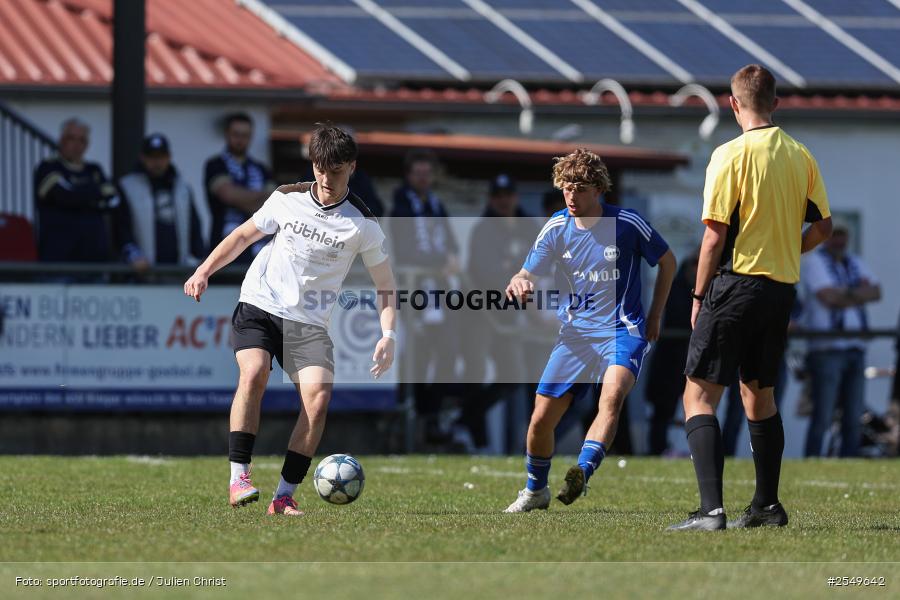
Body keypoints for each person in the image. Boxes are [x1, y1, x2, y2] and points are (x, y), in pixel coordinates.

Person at [184, 124, 397, 516]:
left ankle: (283, 497)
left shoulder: (362, 223)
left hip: (308, 324)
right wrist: (204, 270)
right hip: (260, 304)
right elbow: (243, 236)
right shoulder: (285, 198)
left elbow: (386, 283)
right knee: (255, 373)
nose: (325, 178)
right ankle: (239, 479)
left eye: (335, 170)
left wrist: (387, 335)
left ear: (351, 166)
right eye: (319, 168)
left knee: (317, 398)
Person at [669, 65, 833, 532]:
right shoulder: (801, 155)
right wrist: (787, 247)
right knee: (759, 395)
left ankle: (710, 512)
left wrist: (698, 294)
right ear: (776, 103)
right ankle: (766, 506)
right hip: (780, 291)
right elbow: (823, 228)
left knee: (697, 394)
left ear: (734, 103)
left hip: (735, 284)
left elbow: (713, 236)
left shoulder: (729, 154)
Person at [503, 148, 676, 513]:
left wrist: (656, 315)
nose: (571, 195)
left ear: (599, 189)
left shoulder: (628, 223)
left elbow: (667, 261)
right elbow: (524, 273)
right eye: (566, 187)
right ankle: (536, 490)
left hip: (623, 330)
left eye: (579, 188)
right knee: (540, 420)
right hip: (575, 337)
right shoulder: (556, 227)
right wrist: (518, 283)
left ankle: (581, 471)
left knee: (611, 398)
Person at [456, 174, 539, 451]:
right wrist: (515, 282)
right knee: (476, 370)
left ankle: (463, 420)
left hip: (510, 312)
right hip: (480, 310)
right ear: (492, 199)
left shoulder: (528, 229)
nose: (504, 201)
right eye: (498, 196)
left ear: (515, 197)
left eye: (509, 195)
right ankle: (475, 438)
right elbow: (484, 272)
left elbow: (540, 265)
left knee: (512, 376)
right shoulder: (484, 229)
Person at [390, 148, 461, 445]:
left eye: (426, 173)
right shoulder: (401, 206)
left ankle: (431, 415)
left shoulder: (436, 204)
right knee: (415, 355)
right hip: (414, 290)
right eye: (417, 173)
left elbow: (452, 244)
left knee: (445, 351)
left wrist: (451, 261)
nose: (422, 179)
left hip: (439, 293)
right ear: (409, 176)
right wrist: (439, 264)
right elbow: (405, 250)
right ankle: (414, 417)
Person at [801, 224, 880, 457]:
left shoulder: (854, 262)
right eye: (835, 236)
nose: (840, 242)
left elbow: (876, 292)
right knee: (823, 415)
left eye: (844, 237)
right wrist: (857, 293)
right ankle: (812, 461)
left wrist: (844, 293)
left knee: (854, 415)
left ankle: (849, 461)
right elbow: (828, 298)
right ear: (826, 238)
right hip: (827, 348)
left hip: (855, 346)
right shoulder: (814, 262)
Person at [33, 118, 120, 262]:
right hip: (58, 260)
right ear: (61, 140)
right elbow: (63, 196)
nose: (76, 145)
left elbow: (113, 201)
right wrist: (95, 196)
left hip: (94, 260)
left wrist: (76, 195)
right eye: (71, 138)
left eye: (82, 140)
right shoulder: (48, 168)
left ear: (87, 145)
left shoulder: (94, 170)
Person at [116, 134, 209, 267]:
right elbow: (121, 229)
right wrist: (133, 256)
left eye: (161, 156)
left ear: (169, 157)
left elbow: (194, 227)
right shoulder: (128, 186)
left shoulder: (182, 188)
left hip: (179, 272)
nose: (157, 162)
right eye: (152, 157)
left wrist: (200, 258)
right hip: (142, 274)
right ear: (143, 158)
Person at [204, 112, 276, 264]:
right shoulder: (215, 165)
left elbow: (274, 201)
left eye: (245, 135)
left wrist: (240, 197)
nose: (240, 140)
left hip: (258, 253)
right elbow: (228, 194)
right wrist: (260, 199)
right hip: (224, 252)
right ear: (226, 134)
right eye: (236, 134)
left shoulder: (262, 169)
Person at [644, 254, 698, 455]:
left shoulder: (683, 287)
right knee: (663, 410)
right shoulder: (678, 289)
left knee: (676, 408)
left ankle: (666, 447)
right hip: (669, 360)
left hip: (681, 359)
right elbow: (679, 317)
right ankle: (658, 449)